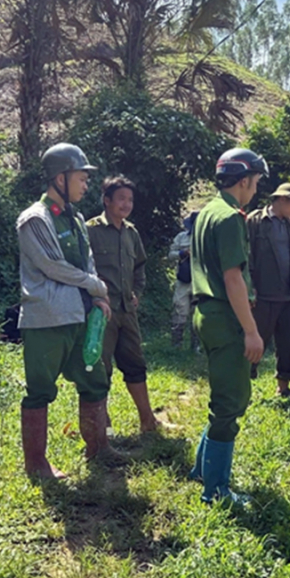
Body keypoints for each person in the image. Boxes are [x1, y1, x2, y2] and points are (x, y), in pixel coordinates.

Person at [16, 143, 122, 478]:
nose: (86, 184)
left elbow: (86, 261)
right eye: (81, 177)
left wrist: (97, 297)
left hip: (80, 315)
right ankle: (37, 464)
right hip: (46, 318)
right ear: (60, 177)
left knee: (94, 379)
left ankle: (98, 448)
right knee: (40, 390)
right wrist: (94, 286)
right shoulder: (34, 219)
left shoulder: (75, 218)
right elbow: (51, 265)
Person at [188, 147, 267, 505]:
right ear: (245, 179)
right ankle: (215, 491)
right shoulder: (231, 217)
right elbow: (232, 277)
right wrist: (251, 330)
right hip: (225, 316)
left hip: (206, 314)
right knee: (230, 402)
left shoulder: (208, 211)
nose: (256, 189)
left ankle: (203, 469)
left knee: (222, 397)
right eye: (256, 182)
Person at [87, 176, 165, 434]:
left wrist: (137, 293)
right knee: (100, 369)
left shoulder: (132, 233)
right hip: (101, 314)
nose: (126, 204)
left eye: (130, 199)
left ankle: (148, 421)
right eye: (121, 198)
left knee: (135, 364)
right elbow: (81, 269)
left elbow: (140, 267)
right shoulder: (91, 230)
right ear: (107, 200)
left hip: (126, 312)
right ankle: (101, 427)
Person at [246, 183, 290, 395]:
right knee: (256, 341)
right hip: (263, 294)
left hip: (289, 294)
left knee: (289, 343)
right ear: (281, 199)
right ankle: (242, 386)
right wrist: (249, 289)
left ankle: (283, 388)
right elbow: (246, 256)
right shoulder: (254, 221)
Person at [168, 211, 199, 349]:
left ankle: (196, 346)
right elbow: (170, 255)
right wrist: (182, 253)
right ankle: (176, 344)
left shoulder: (208, 238)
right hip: (183, 281)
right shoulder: (181, 238)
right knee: (180, 311)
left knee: (198, 314)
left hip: (200, 281)